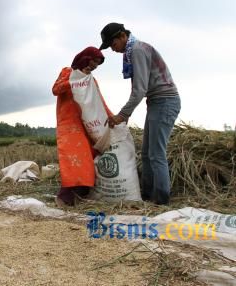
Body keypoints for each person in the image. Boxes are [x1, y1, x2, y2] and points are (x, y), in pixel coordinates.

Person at [99, 23, 181, 205]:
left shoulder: (136, 50)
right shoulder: (133, 51)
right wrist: (126, 115)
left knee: (156, 153)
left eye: (113, 45)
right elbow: (138, 88)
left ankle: (160, 199)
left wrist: (121, 115)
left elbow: (139, 90)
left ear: (122, 36)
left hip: (165, 102)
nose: (113, 50)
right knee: (146, 153)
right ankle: (147, 193)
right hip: (156, 103)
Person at [52, 47, 112, 207]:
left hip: (88, 125)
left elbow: (100, 101)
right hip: (69, 125)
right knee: (75, 161)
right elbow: (56, 90)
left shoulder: (91, 80)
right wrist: (75, 79)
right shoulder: (67, 72)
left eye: (96, 66)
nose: (93, 68)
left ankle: (81, 195)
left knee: (91, 158)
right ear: (84, 58)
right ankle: (64, 198)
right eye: (92, 63)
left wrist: (113, 118)